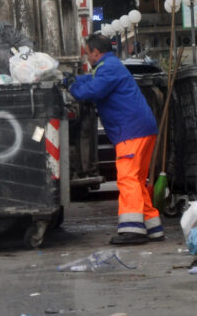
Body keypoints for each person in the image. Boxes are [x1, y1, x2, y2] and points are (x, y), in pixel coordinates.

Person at [68, 33, 164, 245]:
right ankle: (152, 226)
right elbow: (92, 80)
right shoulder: (109, 66)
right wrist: (75, 79)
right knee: (137, 181)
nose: (86, 58)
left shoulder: (108, 68)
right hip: (141, 129)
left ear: (95, 52)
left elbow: (92, 90)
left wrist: (71, 87)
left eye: (87, 54)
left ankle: (133, 230)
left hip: (131, 131)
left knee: (128, 179)